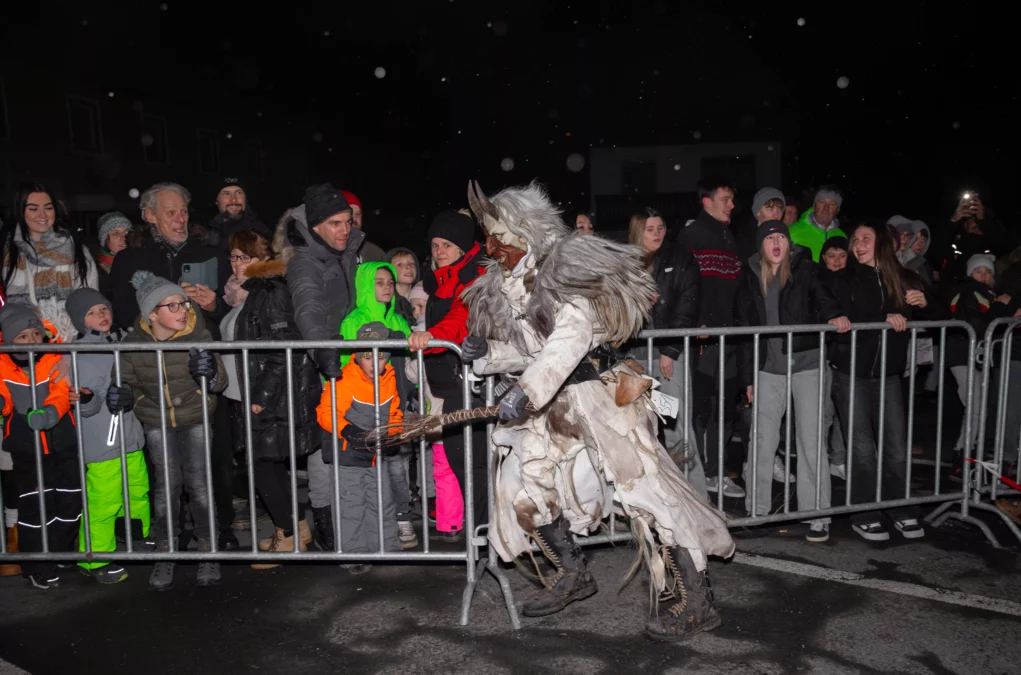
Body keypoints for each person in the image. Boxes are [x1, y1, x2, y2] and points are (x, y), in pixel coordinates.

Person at [459, 179, 734, 641]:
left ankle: (699, 600)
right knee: (522, 482)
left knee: (647, 495)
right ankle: (574, 574)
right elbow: (533, 348)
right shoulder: (510, 284)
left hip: (602, 398)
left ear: (525, 231)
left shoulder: (565, 270)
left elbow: (571, 337)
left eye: (499, 237)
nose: (492, 248)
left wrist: (527, 390)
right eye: (488, 238)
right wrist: (489, 352)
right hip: (558, 405)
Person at [825, 222, 948, 541]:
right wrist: (882, 319)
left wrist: (925, 303)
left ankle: (899, 508)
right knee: (862, 449)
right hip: (851, 373)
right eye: (855, 239)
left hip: (890, 375)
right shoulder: (844, 279)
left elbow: (941, 315)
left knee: (896, 448)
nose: (858, 244)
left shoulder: (905, 277)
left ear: (882, 243)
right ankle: (864, 513)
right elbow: (840, 313)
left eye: (866, 238)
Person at [111, 271, 227, 589]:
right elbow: (125, 382)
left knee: (199, 487)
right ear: (152, 314)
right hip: (156, 421)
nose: (183, 311)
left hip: (196, 417)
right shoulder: (133, 344)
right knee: (165, 488)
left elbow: (221, 380)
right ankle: (166, 550)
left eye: (184, 304)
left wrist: (209, 376)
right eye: (173, 306)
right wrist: (123, 396)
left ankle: (208, 550)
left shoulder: (199, 335)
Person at [217, 230, 321, 567]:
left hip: (264, 396)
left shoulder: (269, 291)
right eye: (233, 256)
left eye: (245, 256)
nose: (237, 262)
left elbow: (282, 349)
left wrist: (260, 396)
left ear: (262, 259)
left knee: (261, 466)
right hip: (245, 394)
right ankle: (297, 528)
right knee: (270, 466)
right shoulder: (247, 292)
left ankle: (287, 537)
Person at [735, 221, 840, 542]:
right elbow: (744, 332)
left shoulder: (805, 268)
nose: (776, 242)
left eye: (781, 236)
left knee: (811, 441)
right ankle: (757, 510)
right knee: (762, 440)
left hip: (807, 363)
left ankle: (817, 515)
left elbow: (823, 296)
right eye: (770, 238)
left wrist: (833, 314)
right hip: (768, 369)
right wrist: (748, 378)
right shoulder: (749, 277)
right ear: (761, 245)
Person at [285, 184, 365, 550]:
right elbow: (309, 311)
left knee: (350, 439)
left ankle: (353, 517)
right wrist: (323, 350)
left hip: (350, 361)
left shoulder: (346, 253)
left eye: (348, 221)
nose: (345, 229)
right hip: (319, 364)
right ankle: (324, 521)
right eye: (335, 223)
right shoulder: (305, 262)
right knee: (323, 444)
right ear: (316, 226)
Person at [408, 210, 487, 541]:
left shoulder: (475, 276)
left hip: (470, 385)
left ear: (462, 247)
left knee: (473, 463)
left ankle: (484, 533)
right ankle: (480, 532)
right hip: (447, 385)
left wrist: (432, 336)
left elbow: (461, 316)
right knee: (459, 461)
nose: (439, 251)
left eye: (447, 245)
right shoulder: (437, 280)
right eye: (435, 245)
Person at [64, 288, 149, 584]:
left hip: (131, 437)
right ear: (80, 321)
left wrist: (131, 393)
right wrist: (89, 399)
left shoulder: (124, 340)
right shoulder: (80, 354)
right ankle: (95, 558)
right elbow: (84, 402)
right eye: (92, 313)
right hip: (103, 442)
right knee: (104, 501)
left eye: (103, 308)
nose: (101, 315)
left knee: (136, 490)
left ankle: (135, 538)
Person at [0, 305, 80, 590]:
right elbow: (4, 400)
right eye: (23, 336)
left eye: (35, 333)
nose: (32, 340)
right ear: (9, 339)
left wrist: (52, 412)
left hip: (62, 439)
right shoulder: (2, 364)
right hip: (27, 447)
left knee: (70, 501)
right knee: (35, 507)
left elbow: (62, 391)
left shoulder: (53, 357)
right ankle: (36, 564)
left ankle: (59, 550)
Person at [339, 262, 416, 548]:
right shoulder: (353, 321)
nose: (387, 287)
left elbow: (411, 364)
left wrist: (415, 395)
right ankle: (368, 535)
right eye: (379, 282)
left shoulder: (398, 320)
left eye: (390, 282)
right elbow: (344, 364)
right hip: (361, 410)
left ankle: (402, 518)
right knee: (366, 474)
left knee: (397, 466)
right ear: (365, 285)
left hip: (394, 405)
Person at [677, 177, 745, 499]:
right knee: (702, 407)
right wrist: (697, 322)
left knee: (726, 406)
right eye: (725, 199)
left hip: (729, 338)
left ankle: (717, 472)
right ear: (707, 202)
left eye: (732, 199)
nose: (732, 205)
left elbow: (736, 290)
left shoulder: (728, 236)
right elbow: (684, 286)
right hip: (703, 340)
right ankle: (699, 476)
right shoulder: (691, 237)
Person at [316, 322, 403, 573]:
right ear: (357, 357)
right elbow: (326, 412)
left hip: (375, 455)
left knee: (382, 501)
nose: (374, 363)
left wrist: (394, 435)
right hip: (348, 455)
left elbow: (394, 413)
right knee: (352, 504)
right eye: (367, 357)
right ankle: (354, 553)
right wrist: (346, 430)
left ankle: (385, 548)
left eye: (380, 357)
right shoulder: (344, 379)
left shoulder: (389, 380)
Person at [627, 208, 703, 482]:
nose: (657, 233)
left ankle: (693, 494)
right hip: (633, 360)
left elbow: (688, 306)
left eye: (660, 227)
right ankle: (650, 495)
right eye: (650, 229)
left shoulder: (679, 257)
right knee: (635, 428)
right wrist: (636, 303)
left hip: (665, 359)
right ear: (638, 232)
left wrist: (669, 350)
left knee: (673, 426)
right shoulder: (625, 261)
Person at [108, 182, 231, 330]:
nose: (181, 219)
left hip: (202, 342)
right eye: (171, 213)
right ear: (151, 215)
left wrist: (214, 307)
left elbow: (233, 314)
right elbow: (121, 314)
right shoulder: (128, 260)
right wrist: (168, 305)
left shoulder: (212, 256)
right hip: (151, 343)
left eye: (184, 211)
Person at [947, 255, 1018, 481]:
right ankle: (961, 458)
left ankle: (968, 456)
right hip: (962, 355)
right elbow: (979, 325)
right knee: (976, 407)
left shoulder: (987, 294)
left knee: (978, 407)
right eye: (979, 271)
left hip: (976, 356)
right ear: (970, 273)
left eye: (988, 272)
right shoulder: (968, 292)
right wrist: (1000, 307)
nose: (984, 276)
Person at [1, 182, 98, 342]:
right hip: (33, 342)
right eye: (33, 209)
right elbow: (14, 307)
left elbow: (91, 302)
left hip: (76, 340)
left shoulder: (78, 250)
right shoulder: (12, 254)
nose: (43, 215)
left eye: (48, 208)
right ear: (20, 212)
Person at [818, 237, 850, 479]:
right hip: (824, 355)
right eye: (831, 256)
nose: (837, 261)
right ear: (823, 258)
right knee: (824, 412)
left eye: (842, 256)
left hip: (848, 355)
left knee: (844, 411)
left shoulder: (855, 282)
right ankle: (818, 460)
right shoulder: (817, 281)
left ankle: (838, 459)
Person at [207, 177, 270, 250]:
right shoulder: (209, 228)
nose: (234, 199)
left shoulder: (259, 233)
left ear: (245, 199)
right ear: (216, 201)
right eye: (226, 194)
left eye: (239, 193)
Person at [788, 186, 847, 262]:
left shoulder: (842, 236)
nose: (826, 208)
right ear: (814, 206)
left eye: (832, 204)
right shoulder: (790, 232)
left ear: (837, 209)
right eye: (821, 202)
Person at [340, 190, 387, 262]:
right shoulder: (327, 252)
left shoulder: (375, 254)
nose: (354, 219)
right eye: (350, 214)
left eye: (358, 214)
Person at [889, 215, 934, 286]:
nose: (920, 244)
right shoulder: (889, 257)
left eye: (924, 240)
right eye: (916, 238)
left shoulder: (923, 267)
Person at [95, 212, 132, 297]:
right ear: (104, 240)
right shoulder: (96, 273)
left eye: (127, 232)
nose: (124, 238)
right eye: (115, 233)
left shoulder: (141, 262)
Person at [385, 247, 421, 326]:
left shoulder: (424, 299)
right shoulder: (386, 304)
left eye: (412, 263)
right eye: (400, 264)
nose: (408, 267)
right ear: (389, 270)